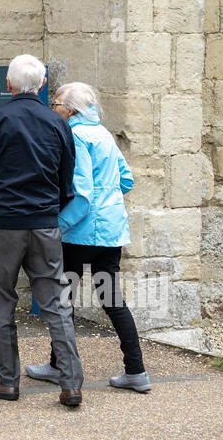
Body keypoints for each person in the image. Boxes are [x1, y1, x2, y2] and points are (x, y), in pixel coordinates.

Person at [0, 53, 85, 409]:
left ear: (9, 84)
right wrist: (50, 212)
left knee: (1, 301)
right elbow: (67, 179)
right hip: (44, 224)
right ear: (43, 85)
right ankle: (71, 383)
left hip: (2, 224)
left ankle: (7, 379)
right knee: (57, 304)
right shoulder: (58, 123)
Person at [26, 82, 151, 393]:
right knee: (113, 301)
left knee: (61, 299)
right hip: (110, 234)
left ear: (70, 110)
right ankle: (136, 371)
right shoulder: (104, 135)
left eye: (56, 104)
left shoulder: (76, 136)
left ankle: (60, 367)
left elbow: (81, 195)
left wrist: (58, 224)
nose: (53, 109)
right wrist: (106, 204)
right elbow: (126, 179)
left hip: (79, 236)